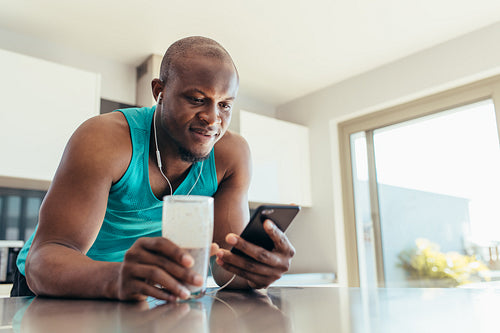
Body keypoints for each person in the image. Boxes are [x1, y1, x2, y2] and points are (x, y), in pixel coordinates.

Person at [11, 36, 296, 301]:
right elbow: (43, 262)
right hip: (56, 287)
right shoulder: (103, 139)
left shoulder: (231, 156)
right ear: (159, 91)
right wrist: (118, 276)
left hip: (133, 287)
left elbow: (225, 268)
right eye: (197, 99)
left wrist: (255, 270)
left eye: (224, 105)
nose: (212, 119)